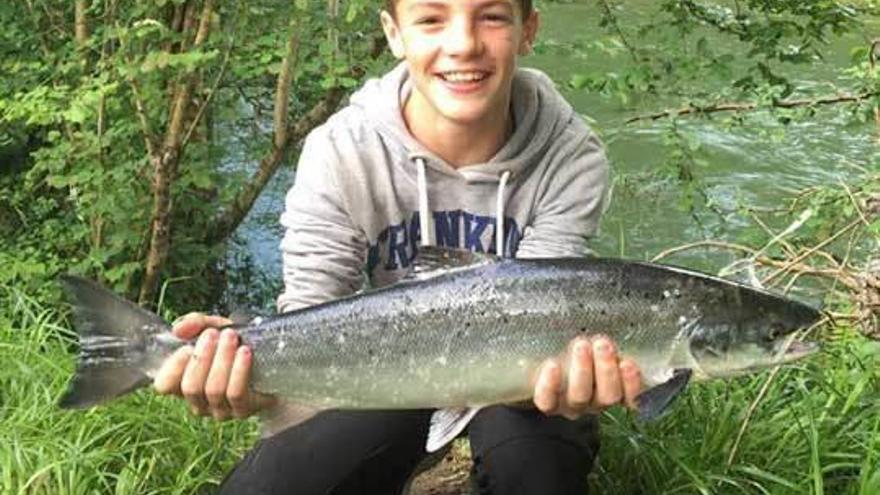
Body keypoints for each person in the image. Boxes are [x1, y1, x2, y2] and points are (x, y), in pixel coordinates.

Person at [153, 0, 643, 492]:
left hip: (523, 377)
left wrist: (566, 383)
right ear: (393, 32)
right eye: (431, 19)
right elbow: (313, 313)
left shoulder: (571, 156)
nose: (463, 44)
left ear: (527, 29)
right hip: (386, 365)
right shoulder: (342, 150)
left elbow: (550, 314)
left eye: (491, 17)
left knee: (538, 471)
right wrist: (252, 371)